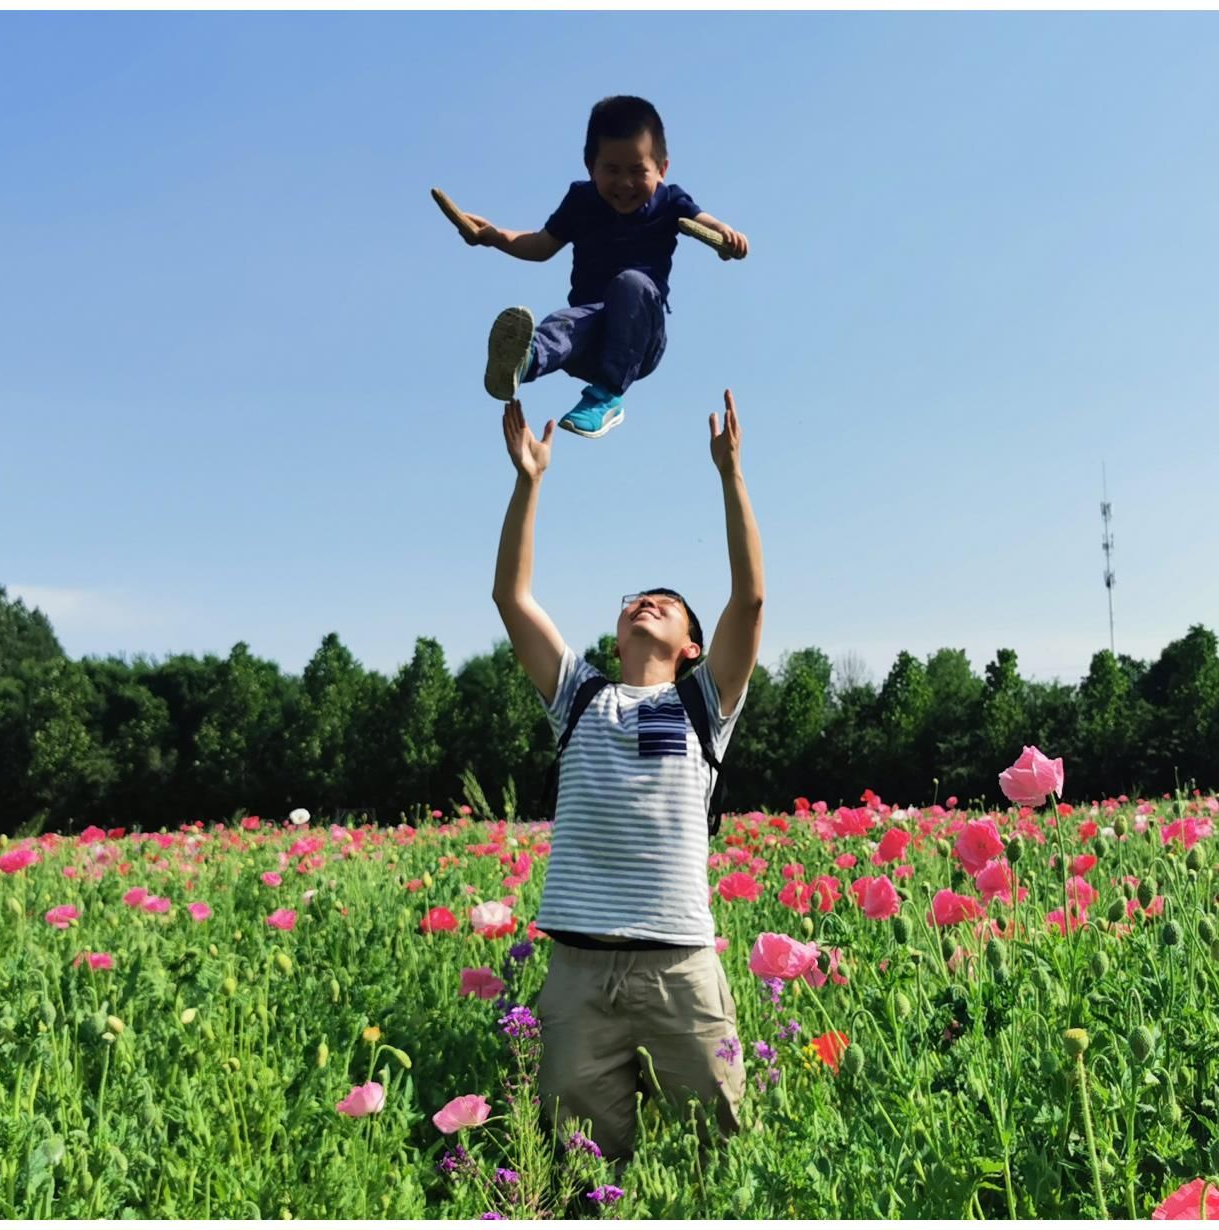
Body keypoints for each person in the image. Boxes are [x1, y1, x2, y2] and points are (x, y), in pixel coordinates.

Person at [490, 388, 765, 1165]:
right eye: (636, 599)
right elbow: (511, 597)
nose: (646, 602)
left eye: (668, 604)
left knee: (718, 1160)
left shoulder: (702, 705)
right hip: (576, 974)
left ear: (690, 645)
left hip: (680, 967)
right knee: (582, 1171)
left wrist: (731, 475)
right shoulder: (578, 697)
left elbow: (750, 597)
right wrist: (528, 482)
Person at [456, 95, 748, 440]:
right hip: (587, 342)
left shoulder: (670, 201)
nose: (624, 183)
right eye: (612, 170)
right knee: (565, 321)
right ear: (589, 166)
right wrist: (493, 236)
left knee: (631, 284)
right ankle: (523, 361)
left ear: (662, 169)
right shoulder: (581, 201)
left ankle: (607, 396)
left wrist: (725, 235)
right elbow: (539, 245)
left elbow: (702, 220)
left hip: (640, 340)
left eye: (638, 171)